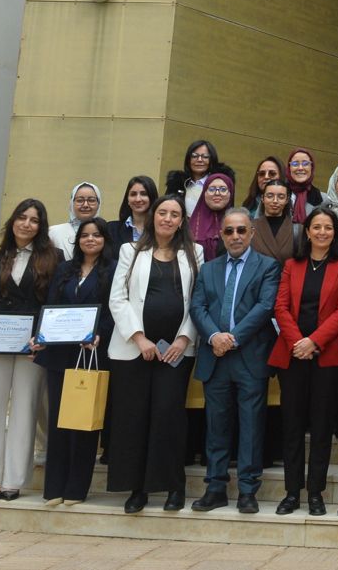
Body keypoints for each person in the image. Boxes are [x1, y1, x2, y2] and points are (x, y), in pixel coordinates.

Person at [108, 194, 202, 513]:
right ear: (153, 217)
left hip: (175, 353)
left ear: (181, 221)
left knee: (168, 417)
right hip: (135, 351)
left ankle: (174, 486)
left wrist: (183, 339)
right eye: (162, 212)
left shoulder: (195, 253)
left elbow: (199, 301)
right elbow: (117, 298)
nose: (167, 219)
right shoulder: (130, 251)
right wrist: (139, 338)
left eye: (175, 214)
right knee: (133, 419)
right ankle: (138, 490)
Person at [0, 199, 59, 501]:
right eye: (22, 218)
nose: (27, 224)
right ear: (13, 221)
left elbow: (53, 304)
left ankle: (14, 480)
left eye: (34, 220)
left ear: (40, 227)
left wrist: (44, 338)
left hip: (32, 346)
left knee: (25, 409)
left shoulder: (53, 257)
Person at [189, 209, 280, 514]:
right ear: (222, 235)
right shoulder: (209, 269)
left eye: (242, 230)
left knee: (251, 426)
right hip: (215, 357)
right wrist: (215, 337)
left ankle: (247, 490)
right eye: (229, 231)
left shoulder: (267, 266)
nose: (236, 236)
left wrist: (232, 337)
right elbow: (198, 307)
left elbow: (265, 306)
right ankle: (215, 488)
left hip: (249, 357)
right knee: (216, 426)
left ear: (252, 233)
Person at [268, 206, 338, 516]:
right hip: (293, 355)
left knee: (321, 427)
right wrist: (298, 342)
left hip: (328, 356)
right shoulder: (292, 264)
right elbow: (280, 307)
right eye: (316, 227)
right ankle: (292, 492)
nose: (322, 232)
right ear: (306, 232)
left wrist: (314, 341)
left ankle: (315, 492)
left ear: (335, 233)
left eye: (328, 228)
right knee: (291, 426)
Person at [34, 215, 114, 505]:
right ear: (77, 240)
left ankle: (76, 489)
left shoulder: (112, 270)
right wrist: (42, 334)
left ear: (105, 240)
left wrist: (98, 334)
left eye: (96, 235)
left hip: (89, 354)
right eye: (85, 235)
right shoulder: (65, 269)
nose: (90, 239)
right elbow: (52, 305)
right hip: (59, 353)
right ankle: (54, 487)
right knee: (57, 421)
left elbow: (111, 310)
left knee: (82, 422)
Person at [166, 139, 232, 217]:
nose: (199, 160)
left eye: (205, 156)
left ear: (211, 159)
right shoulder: (177, 183)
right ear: (188, 159)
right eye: (194, 156)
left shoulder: (220, 183)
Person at [185, 172, 236, 260]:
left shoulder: (239, 224)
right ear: (204, 193)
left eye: (223, 189)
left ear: (230, 194)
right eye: (212, 189)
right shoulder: (189, 226)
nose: (217, 193)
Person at [250, 178, 300, 261]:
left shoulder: (297, 230)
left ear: (287, 200)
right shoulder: (250, 228)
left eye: (281, 197)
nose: (275, 201)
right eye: (270, 196)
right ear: (262, 198)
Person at [50, 181, 102, 259]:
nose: (85, 205)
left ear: (98, 204)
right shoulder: (53, 233)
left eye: (91, 200)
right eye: (80, 200)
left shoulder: (106, 232)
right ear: (72, 203)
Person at [112, 175, 158, 248]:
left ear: (152, 198)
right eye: (133, 194)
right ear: (127, 200)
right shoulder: (112, 229)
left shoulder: (160, 230)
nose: (138, 199)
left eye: (143, 194)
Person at [284, 148, 322, 224]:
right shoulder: (278, 192)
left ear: (312, 167)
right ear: (289, 168)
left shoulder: (322, 199)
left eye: (305, 164)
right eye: (295, 164)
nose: (300, 168)